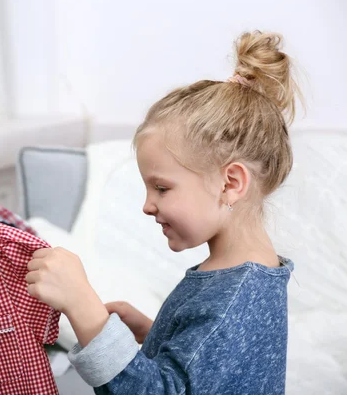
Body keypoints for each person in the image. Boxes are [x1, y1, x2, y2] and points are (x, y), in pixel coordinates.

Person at [26, 31, 302, 394]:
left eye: (161, 187)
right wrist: (153, 332)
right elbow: (207, 368)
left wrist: (84, 307)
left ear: (230, 183)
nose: (147, 205)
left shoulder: (233, 300)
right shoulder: (243, 282)